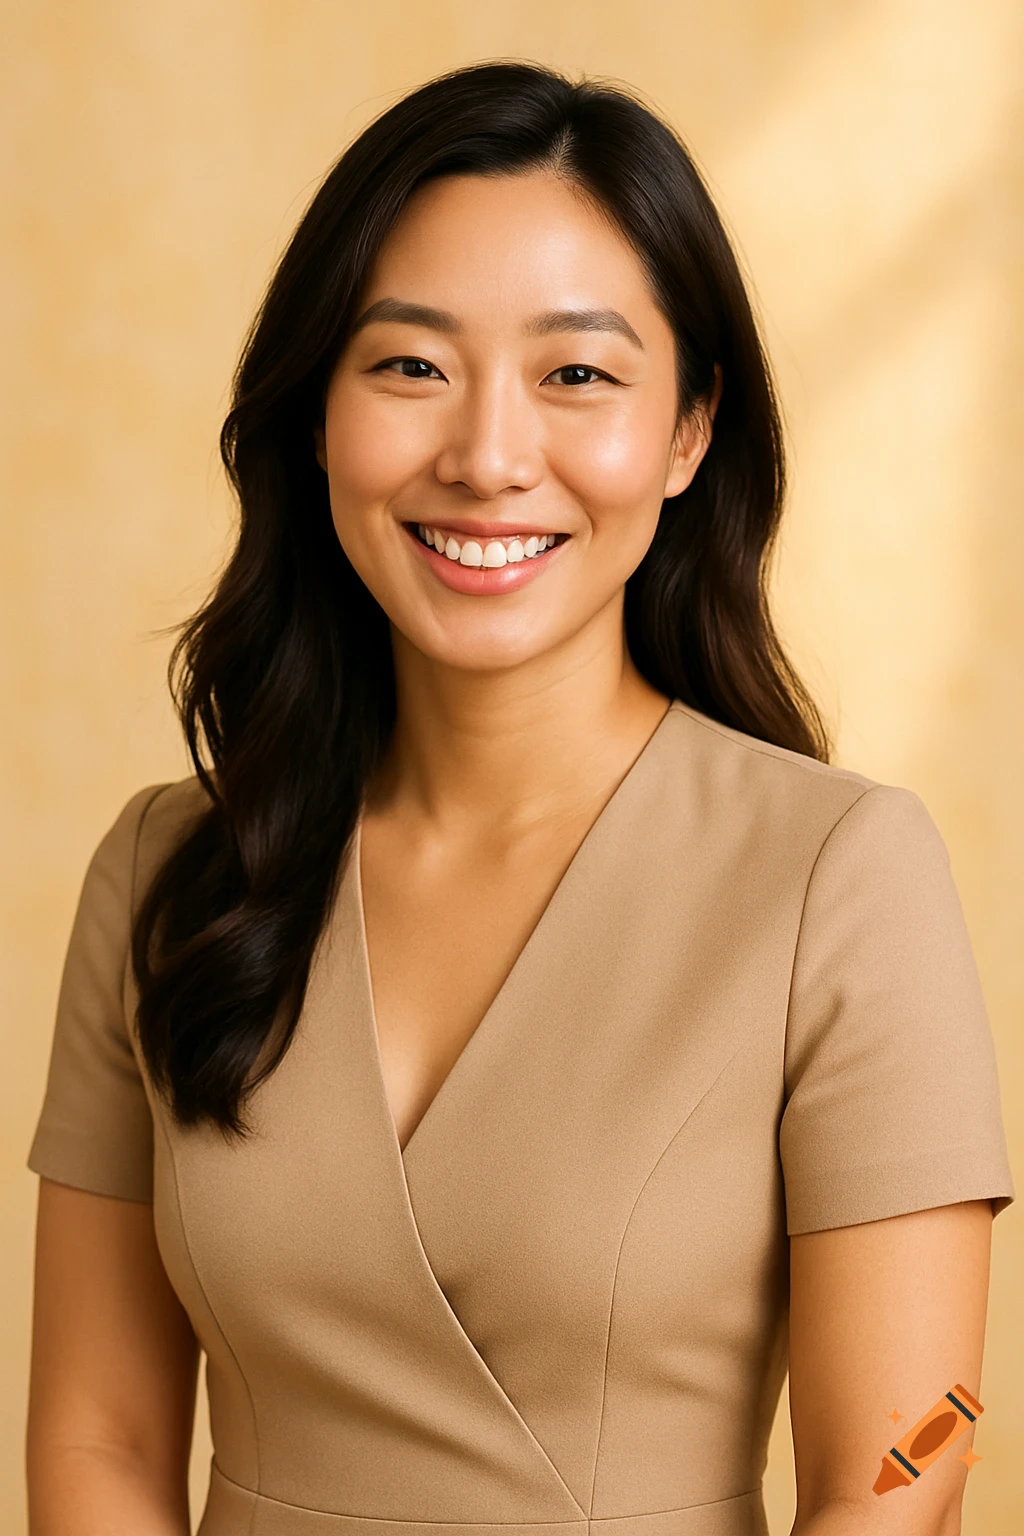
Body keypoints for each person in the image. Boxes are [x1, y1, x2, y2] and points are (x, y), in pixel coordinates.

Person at [25, 60, 1014, 1536]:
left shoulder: (838, 875)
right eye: (411, 366)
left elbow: (914, 1455)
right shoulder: (173, 873)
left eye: (578, 376)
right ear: (315, 416)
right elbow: (96, 1440)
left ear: (688, 434)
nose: (488, 458)